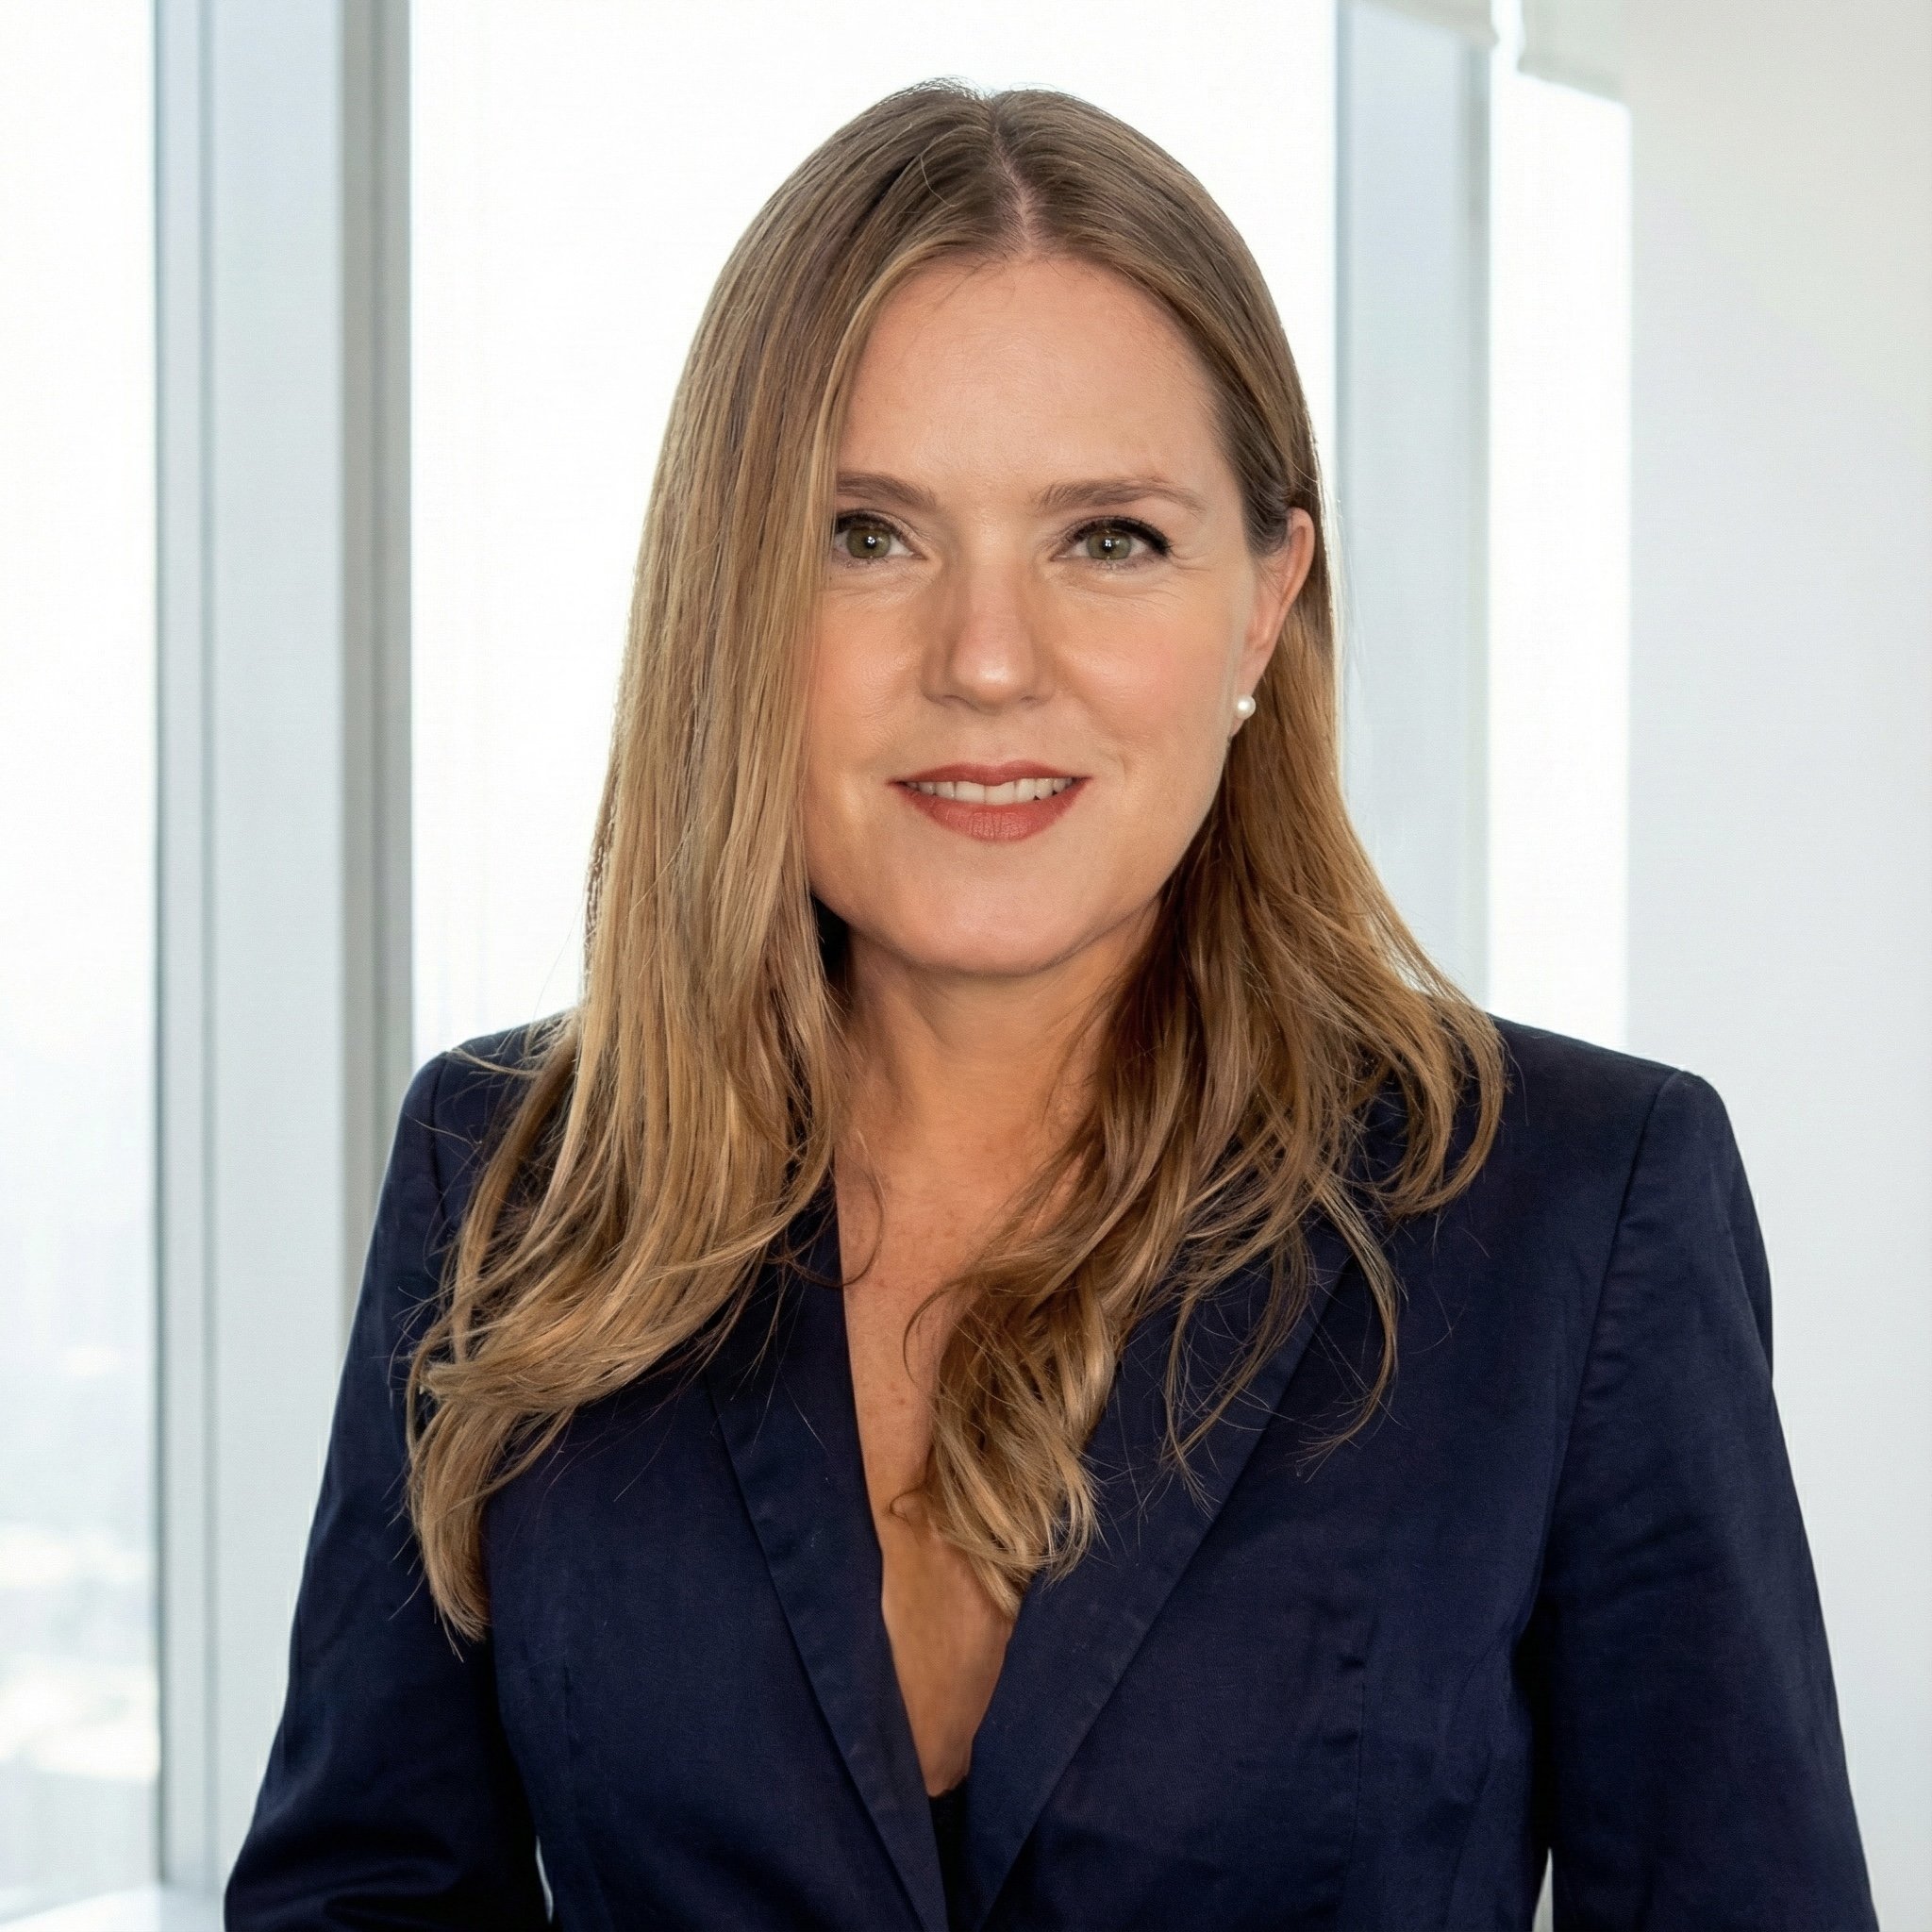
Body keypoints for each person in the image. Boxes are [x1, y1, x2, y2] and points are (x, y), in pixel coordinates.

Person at [225, 82, 1873, 1931]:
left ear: (1264, 603)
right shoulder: (506, 1178)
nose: (986, 660)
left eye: (1107, 537)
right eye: (868, 534)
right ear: (732, 591)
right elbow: (359, 1893)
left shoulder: (1574, 1207)